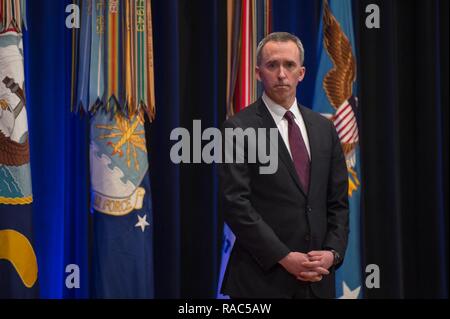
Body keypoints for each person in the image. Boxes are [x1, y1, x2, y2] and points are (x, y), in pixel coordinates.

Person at [219, 32, 349, 299]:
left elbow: (337, 203)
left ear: (301, 73)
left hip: (317, 282)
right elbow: (235, 204)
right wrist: (284, 256)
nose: (281, 74)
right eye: (272, 65)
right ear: (258, 73)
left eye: (289, 65)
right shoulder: (238, 128)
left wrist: (332, 254)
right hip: (261, 283)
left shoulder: (325, 128)